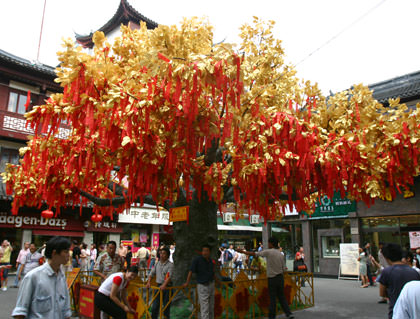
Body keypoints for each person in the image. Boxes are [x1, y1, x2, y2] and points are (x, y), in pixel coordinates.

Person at [12, 236, 72, 319]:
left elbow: (66, 312)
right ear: (54, 253)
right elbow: (20, 312)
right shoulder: (33, 277)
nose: (68, 255)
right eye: (65, 252)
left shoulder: (62, 277)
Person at [238, 237, 294, 319]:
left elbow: (255, 254)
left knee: (272, 298)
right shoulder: (280, 254)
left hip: (272, 278)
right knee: (282, 297)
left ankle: (272, 316)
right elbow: (283, 268)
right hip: (280, 278)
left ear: (271, 243)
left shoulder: (269, 252)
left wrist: (243, 252)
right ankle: (288, 313)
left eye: (268, 243)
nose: (267, 244)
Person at [377, 243, 420, 319]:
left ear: (386, 257)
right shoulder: (414, 272)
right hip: (413, 310)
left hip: (395, 311)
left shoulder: (387, 271)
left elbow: (382, 293)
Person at [183, 244, 220, 319]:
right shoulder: (197, 260)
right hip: (202, 286)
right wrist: (187, 282)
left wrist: (217, 281)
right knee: (205, 308)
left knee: (211, 307)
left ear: (209, 252)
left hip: (211, 284)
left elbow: (212, 273)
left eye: (206, 251)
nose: (205, 252)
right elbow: (191, 271)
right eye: (203, 251)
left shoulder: (211, 261)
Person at [146, 246, 174, 319]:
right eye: (161, 253)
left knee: (166, 308)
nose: (162, 255)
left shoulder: (170, 265)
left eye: (164, 253)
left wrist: (164, 285)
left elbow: (169, 277)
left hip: (168, 288)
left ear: (167, 255)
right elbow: (151, 274)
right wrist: (148, 282)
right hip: (158, 287)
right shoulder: (157, 264)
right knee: (155, 307)